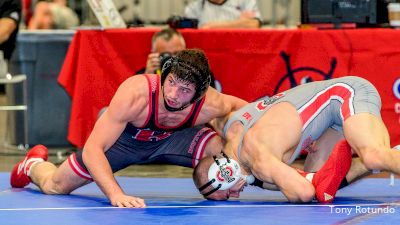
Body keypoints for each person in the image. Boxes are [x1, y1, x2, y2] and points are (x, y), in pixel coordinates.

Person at [10, 49, 247, 208]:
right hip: (124, 143)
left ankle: (242, 183)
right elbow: (94, 148)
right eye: (172, 82)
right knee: (56, 186)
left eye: (185, 90)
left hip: (176, 138)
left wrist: (238, 159)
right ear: (164, 75)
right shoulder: (136, 94)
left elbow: (248, 115)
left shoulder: (212, 102)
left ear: (199, 95)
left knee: (227, 150)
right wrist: (115, 194)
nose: (173, 95)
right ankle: (33, 165)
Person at [193, 76, 400, 203]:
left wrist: (252, 178)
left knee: (373, 155)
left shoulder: (259, 160)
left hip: (346, 94)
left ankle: (383, 157)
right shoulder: (229, 128)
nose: (237, 196)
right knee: (322, 183)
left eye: (228, 194)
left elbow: (303, 193)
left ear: (225, 174)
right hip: (330, 118)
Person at [136, 28, 216, 88]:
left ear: (186, 51)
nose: (172, 59)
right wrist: (148, 76)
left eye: (177, 53)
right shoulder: (141, 77)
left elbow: (212, 102)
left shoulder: (201, 74)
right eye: (166, 55)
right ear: (154, 54)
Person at [184, 0, 262, 29]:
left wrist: (211, 26)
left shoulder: (244, 1)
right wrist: (240, 22)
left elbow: (254, 24)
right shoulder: (193, 9)